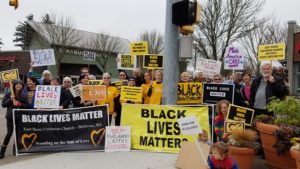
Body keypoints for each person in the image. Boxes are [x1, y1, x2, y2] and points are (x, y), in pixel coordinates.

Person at [1, 80, 28, 159]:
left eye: (20, 85)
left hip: (19, 117)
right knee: (9, 133)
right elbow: (3, 105)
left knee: (17, 134)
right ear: (14, 85)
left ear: (22, 86)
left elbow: (27, 106)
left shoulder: (23, 95)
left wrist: (19, 104)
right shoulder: (9, 94)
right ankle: (2, 151)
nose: (19, 86)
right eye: (17, 85)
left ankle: (15, 149)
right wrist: (10, 99)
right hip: (10, 117)